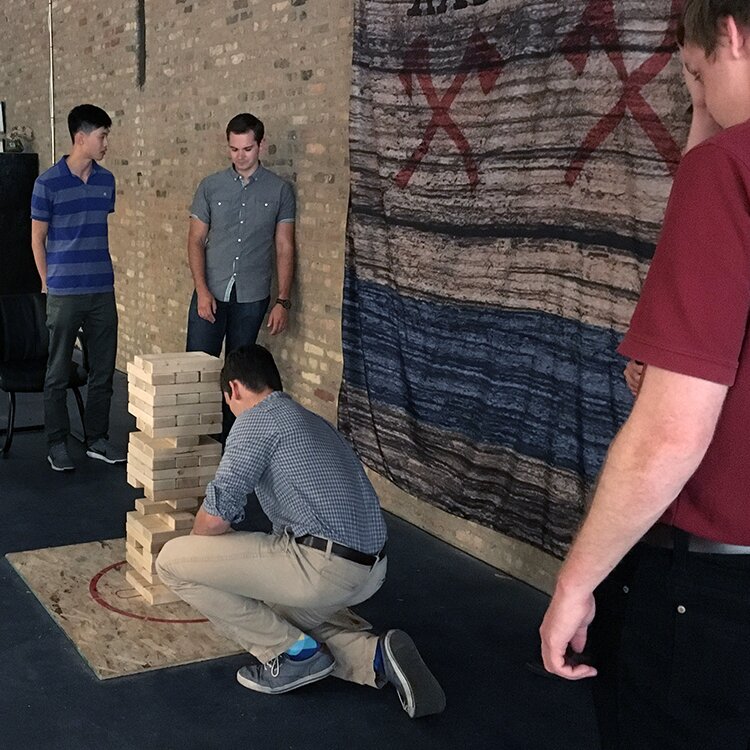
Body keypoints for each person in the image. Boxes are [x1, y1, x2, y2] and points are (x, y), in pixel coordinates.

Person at [540, 4, 750, 747]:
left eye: (694, 74)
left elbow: (671, 433)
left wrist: (576, 581)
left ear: (731, 32)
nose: (699, 98)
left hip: (715, 591)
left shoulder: (725, 174)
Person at [156, 345, 446, 718]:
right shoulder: (311, 420)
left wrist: (198, 561)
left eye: (227, 400)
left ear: (234, 389)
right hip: (371, 570)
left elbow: (216, 517)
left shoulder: (254, 421)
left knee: (172, 562)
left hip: (323, 567)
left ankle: (288, 656)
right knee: (269, 621)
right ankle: (373, 657)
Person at [185, 112, 295, 440]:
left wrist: (283, 301)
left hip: (252, 296)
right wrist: (202, 290)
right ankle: (194, 442)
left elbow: (285, 246)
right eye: (234, 149)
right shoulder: (210, 186)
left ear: (260, 145)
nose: (240, 156)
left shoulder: (279, 190)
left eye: (247, 149)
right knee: (198, 367)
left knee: (241, 377)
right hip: (211, 292)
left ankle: (233, 443)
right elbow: (195, 240)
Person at [30, 104, 125, 471]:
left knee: (103, 370)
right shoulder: (47, 183)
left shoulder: (106, 181)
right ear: (81, 138)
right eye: (102, 136)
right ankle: (57, 442)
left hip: (102, 289)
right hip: (64, 292)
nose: (106, 143)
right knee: (57, 372)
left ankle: (96, 439)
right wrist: (47, 282)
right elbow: (37, 239)